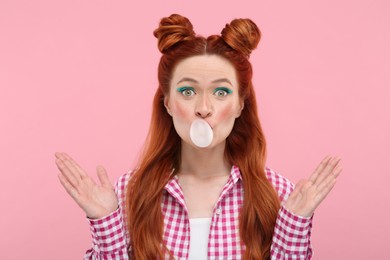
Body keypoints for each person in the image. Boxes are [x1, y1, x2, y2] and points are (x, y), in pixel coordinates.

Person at [55, 13, 342, 260]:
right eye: (188, 91)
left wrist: (294, 225)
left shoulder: (277, 193)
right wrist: (104, 222)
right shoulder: (129, 191)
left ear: (241, 104)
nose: (203, 108)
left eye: (221, 92)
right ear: (167, 102)